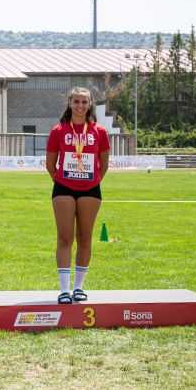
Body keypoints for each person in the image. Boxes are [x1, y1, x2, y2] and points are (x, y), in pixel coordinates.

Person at [45, 87, 110, 304]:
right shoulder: (58, 130)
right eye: (76, 101)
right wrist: (63, 180)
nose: (80, 106)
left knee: (85, 237)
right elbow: (50, 163)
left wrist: (91, 181)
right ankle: (64, 290)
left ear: (90, 104)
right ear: (69, 103)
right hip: (64, 187)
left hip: (90, 189)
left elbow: (104, 164)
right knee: (65, 237)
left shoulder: (99, 131)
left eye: (84, 102)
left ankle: (78, 287)